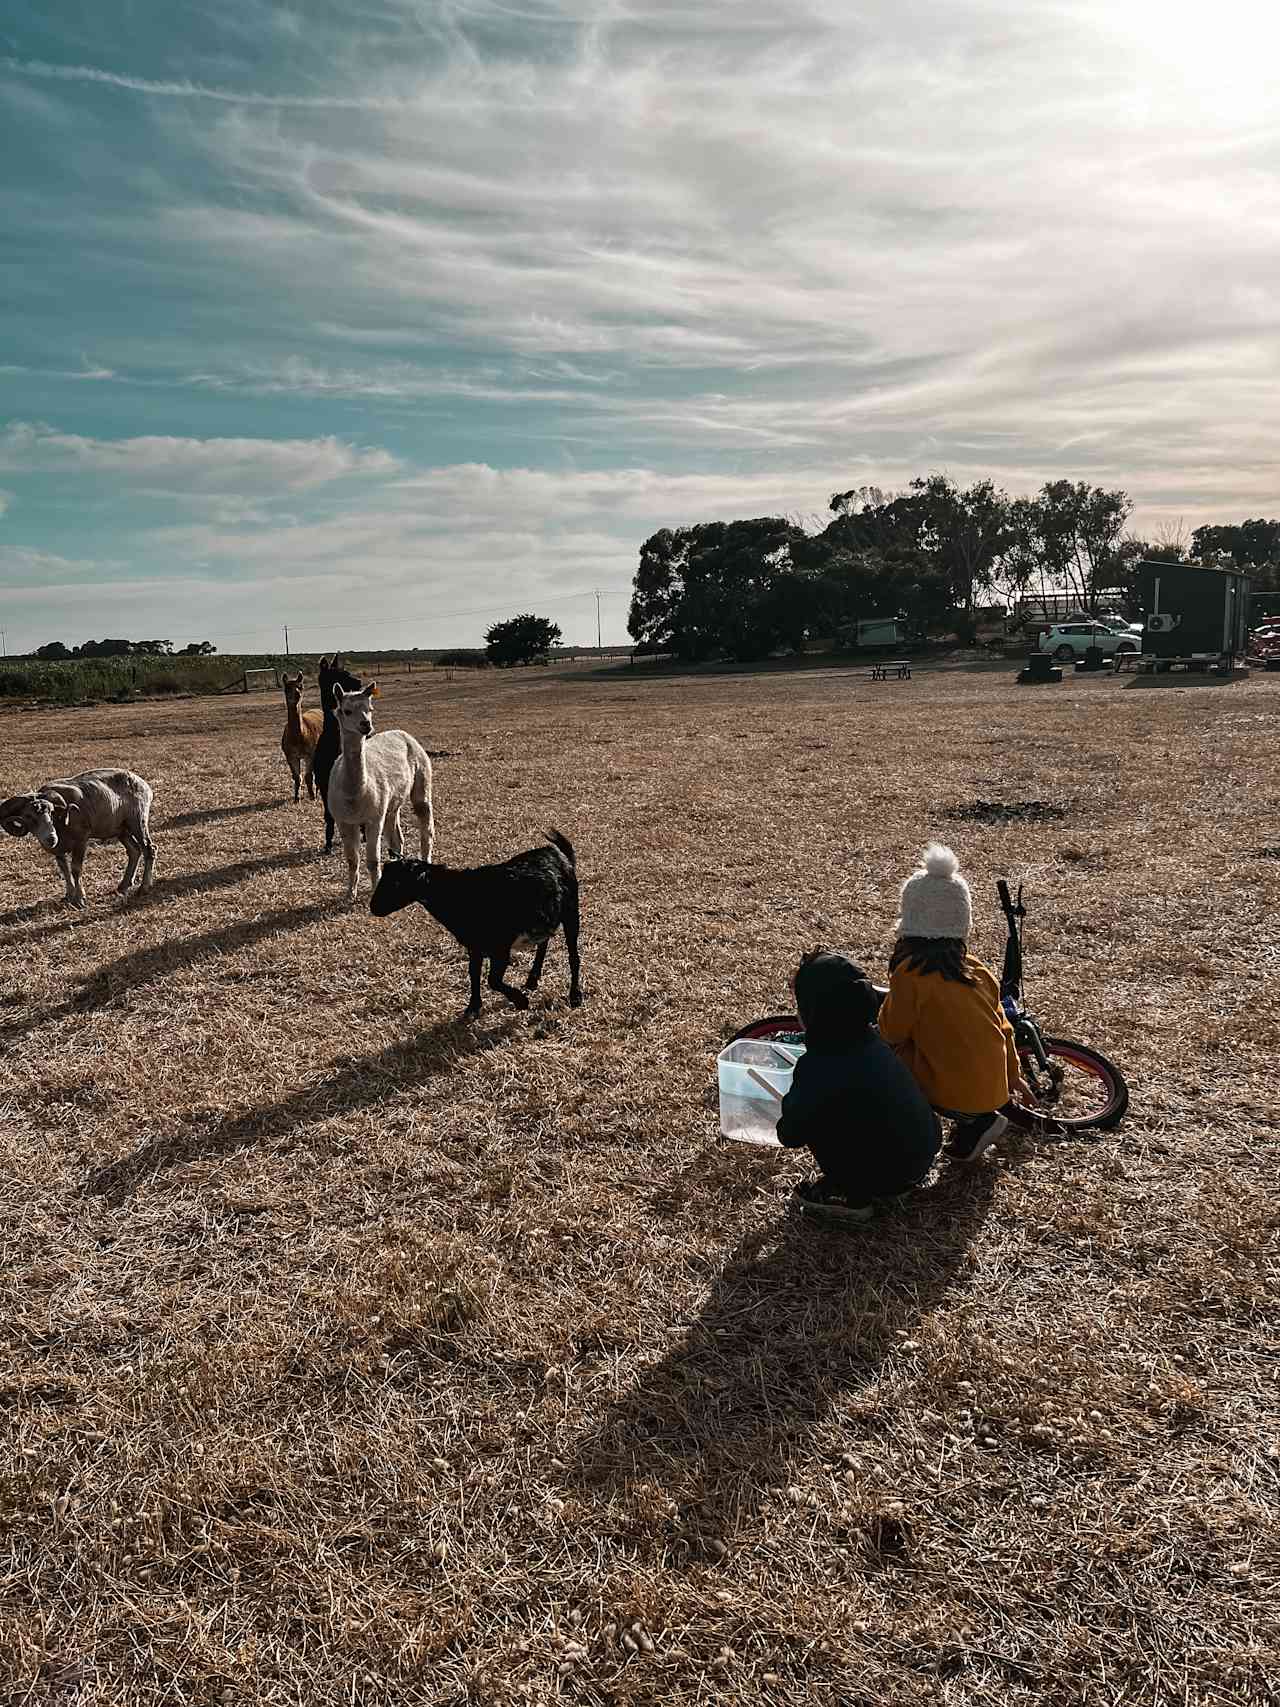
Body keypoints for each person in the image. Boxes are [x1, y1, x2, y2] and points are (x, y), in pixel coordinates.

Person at [877, 843, 1025, 1162]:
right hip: (997, 1089)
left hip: (956, 1092)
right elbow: (1005, 1027)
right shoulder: (977, 969)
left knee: (889, 1054)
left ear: (909, 922)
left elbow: (891, 1032)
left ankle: (941, 1119)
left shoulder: (910, 974)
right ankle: (975, 1122)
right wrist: (1013, 1075)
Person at [775, 950, 941, 1224]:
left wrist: (790, 1108)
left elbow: (789, 1134)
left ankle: (850, 1195)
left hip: (887, 1175)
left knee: (822, 1118)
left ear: (811, 1012)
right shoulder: (875, 1042)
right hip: (922, 1155)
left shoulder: (820, 1065)